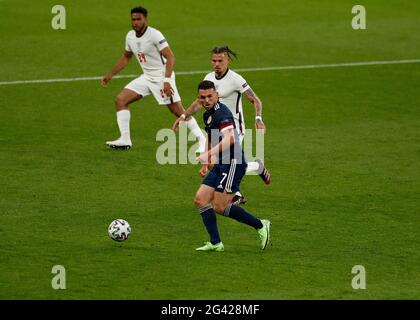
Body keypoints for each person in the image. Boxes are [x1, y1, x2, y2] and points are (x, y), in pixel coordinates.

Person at [101, 6, 206, 152]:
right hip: (147, 77)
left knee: (178, 111)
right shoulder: (130, 36)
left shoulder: (154, 35)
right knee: (120, 100)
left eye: (139, 19)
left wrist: (167, 81)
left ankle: (203, 139)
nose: (135, 22)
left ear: (145, 19)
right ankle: (125, 139)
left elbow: (170, 57)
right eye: (133, 19)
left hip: (162, 77)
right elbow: (126, 57)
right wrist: (110, 74)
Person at [173, 46, 271, 188]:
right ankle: (256, 167)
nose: (217, 64)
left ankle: (235, 194)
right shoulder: (209, 78)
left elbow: (255, 99)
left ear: (228, 61)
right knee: (217, 164)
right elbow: (199, 102)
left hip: (234, 128)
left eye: (220, 60)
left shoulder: (236, 79)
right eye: (214, 60)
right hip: (216, 127)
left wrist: (258, 118)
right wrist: (184, 116)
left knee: (228, 165)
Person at [193, 80, 271, 252]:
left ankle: (260, 225)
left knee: (219, 206)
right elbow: (211, 137)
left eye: (209, 96)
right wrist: (207, 162)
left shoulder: (222, 114)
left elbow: (231, 139)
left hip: (233, 163)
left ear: (217, 95)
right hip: (221, 163)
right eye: (202, 97)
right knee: (200, 200)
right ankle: (216, 243)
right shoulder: (208, 114)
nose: (206, 100)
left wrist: (208, 154)